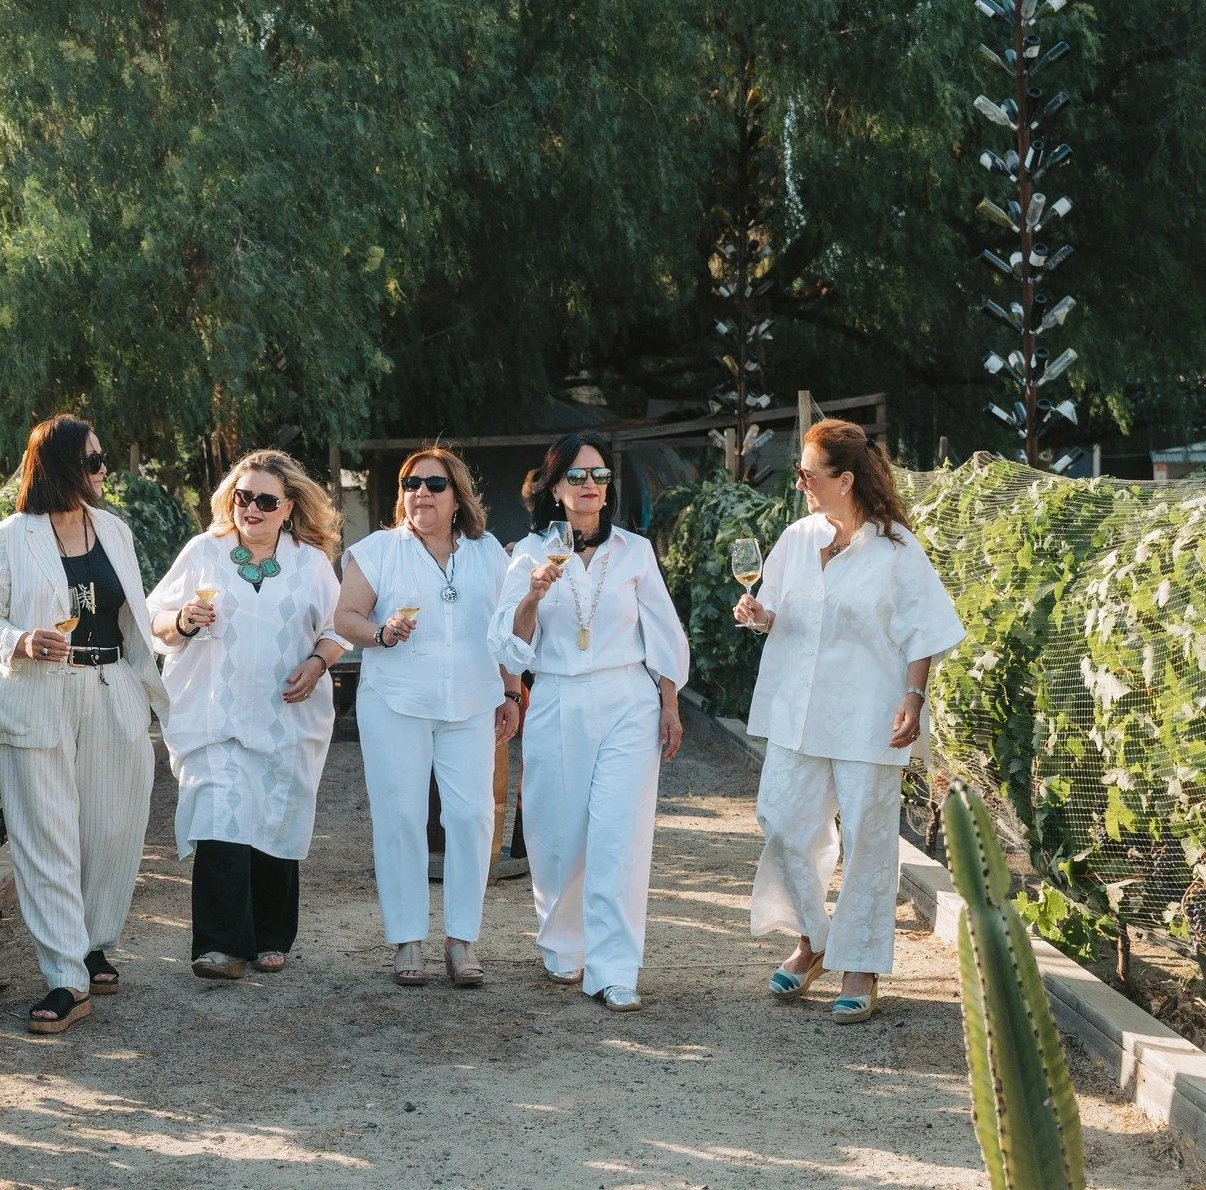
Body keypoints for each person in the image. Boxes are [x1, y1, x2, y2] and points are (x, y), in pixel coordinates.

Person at [734, 418, 965, 1024]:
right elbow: (775, 608)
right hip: (797, 709)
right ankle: (815, 938)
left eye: (808, 473)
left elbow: (925, 631)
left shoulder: (896, 549)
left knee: (868, 840)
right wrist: (758, 615)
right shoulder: (796, 538)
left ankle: (859, 964)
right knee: (781, 821)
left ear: (845, 479)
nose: (800, 482)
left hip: (868, 713)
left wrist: (913, 697)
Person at [0, 416, 167, 1033]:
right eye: (93, 460)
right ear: (60, 466)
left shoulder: (115, 531)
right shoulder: (11, 537)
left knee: (112, 829)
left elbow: (132, 617)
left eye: (102, 458)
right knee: (46, 835)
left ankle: (93, 943)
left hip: (112, 687)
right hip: (39, 694)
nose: (104, 469)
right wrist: (21, 641)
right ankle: (65, 976)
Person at [488, 432, 689, 1013]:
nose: (589, 485)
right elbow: (508, 646)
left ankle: (615, 970)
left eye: (599, 475)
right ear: (554, 488)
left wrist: (669, 702)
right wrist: (531, 596)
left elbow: (663, 632)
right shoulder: (529, 554)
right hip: (557, 697)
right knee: (559, 836)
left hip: (629, 699)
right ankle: (562, 941)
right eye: (576, 476)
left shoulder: (634, 551)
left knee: (619, 837)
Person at [146, 450, 349, 980]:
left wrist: (317, 663)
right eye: (243, 496)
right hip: (216, 715)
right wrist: (182, 620)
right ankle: (219, 947)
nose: (251, 508)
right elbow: (153, 617)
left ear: (288, 508)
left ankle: (271, 935)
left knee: (274, 815)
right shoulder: (204, 552)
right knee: (221, 814)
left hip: (285, 717)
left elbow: (338, 629)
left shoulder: (310, 563)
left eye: (265, 500)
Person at [334, 446, 521, 988]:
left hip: (472, 703)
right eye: (411, 484)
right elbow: (345, 617)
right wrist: (382, 632)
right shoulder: (378, 550)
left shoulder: (489, 553)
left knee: (472, 818)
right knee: (400, 817)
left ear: (457, 496)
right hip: (396, 702)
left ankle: (461, 939)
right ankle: (407, 939)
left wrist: (511, 690)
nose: (421, 493)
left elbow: (505, 627)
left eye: (435, 484)